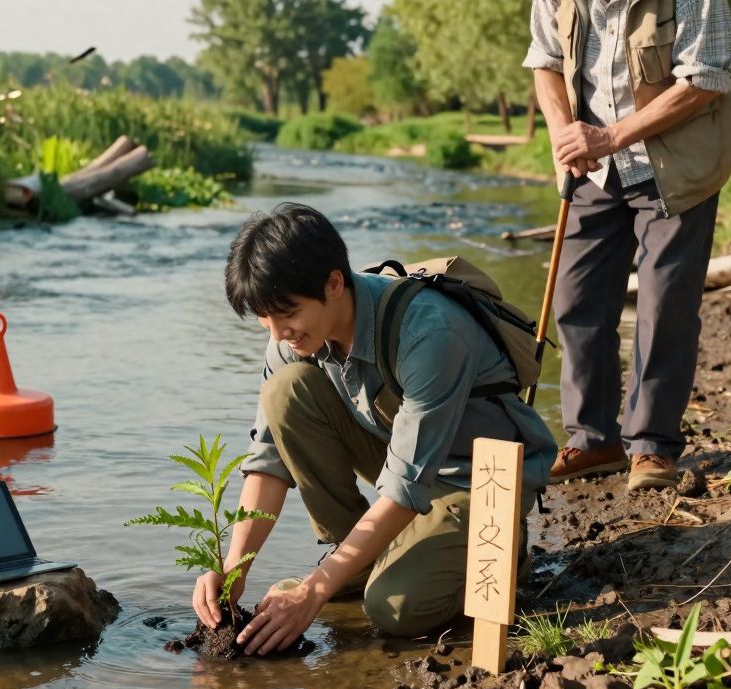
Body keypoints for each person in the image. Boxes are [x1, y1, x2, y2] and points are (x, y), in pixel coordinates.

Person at [194, 203, 556, 655]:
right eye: (264, 319)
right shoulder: (290, 337)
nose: (277, 332)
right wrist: (234, 567)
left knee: (393, 610)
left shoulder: (429, 332)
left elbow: (406, 485)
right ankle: (361, 561)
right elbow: (268, 462)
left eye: (287, 313)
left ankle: (501, 553)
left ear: (333, 283)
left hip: (476, 479)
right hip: (401, 458)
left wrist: (313, 590)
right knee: (285, 391)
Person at [523, 0, 731, 490]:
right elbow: (546, 63)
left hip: (675, 167)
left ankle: (651, 445)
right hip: (593, 170)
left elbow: (705, 79)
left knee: (664, 304)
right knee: (574, 301)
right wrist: (565, 138)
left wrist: (609, 137)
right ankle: (595, 440)